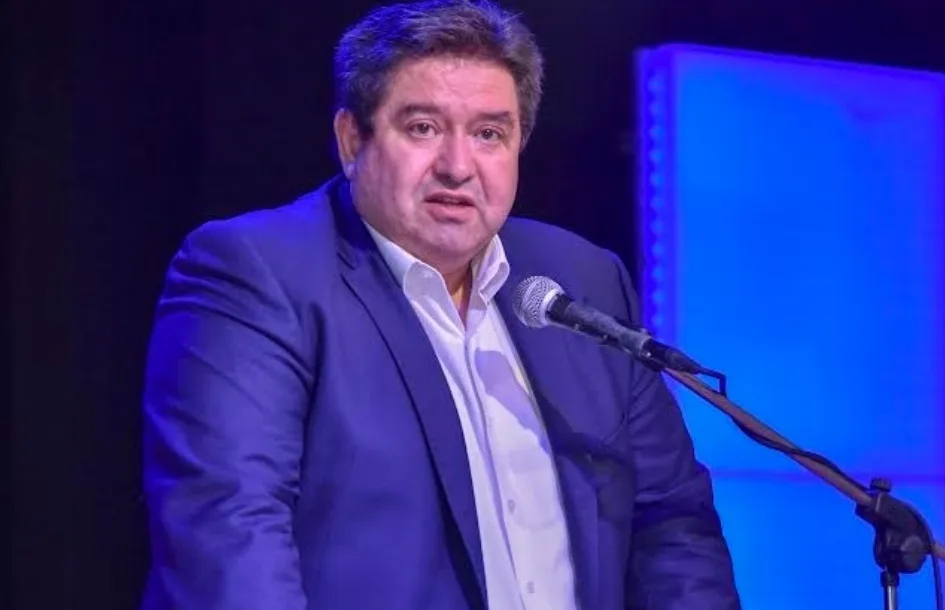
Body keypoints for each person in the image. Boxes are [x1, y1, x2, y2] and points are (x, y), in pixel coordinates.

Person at [140, 1, 740, 608]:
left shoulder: (582, 280)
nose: (458, 167)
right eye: (423, 128)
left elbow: (672, 524)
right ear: (352, 140)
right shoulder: (259, 272)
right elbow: (230, 530)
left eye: (489, 134)